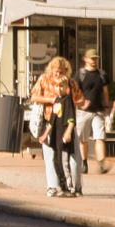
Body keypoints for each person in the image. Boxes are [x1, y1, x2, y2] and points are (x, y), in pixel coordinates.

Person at [28, 57, 89, 197]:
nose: (58, 74)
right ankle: (53, 187)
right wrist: (51, 100)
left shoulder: (70, 83)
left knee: (74, 158)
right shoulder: (44, 79)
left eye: (61, 71)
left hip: (67, 124)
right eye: (56, 71)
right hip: (50, 122)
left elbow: (80, 99)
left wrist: (73, 102)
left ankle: (76, 186)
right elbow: (34, 97)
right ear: (51, 69)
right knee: (51, 157)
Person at [77, 48, 112, 175]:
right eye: (92, 58)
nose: (94, 61)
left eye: (96, 58)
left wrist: (107, 107)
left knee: (100, 137)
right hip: (83, 111)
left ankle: (101, 163)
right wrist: (81, 102)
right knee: (83, 139)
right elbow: (76, 91)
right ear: (86, 59)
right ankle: (84, 162)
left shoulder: (102, 75)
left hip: (98, 111)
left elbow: (106, 92)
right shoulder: (80, 74)